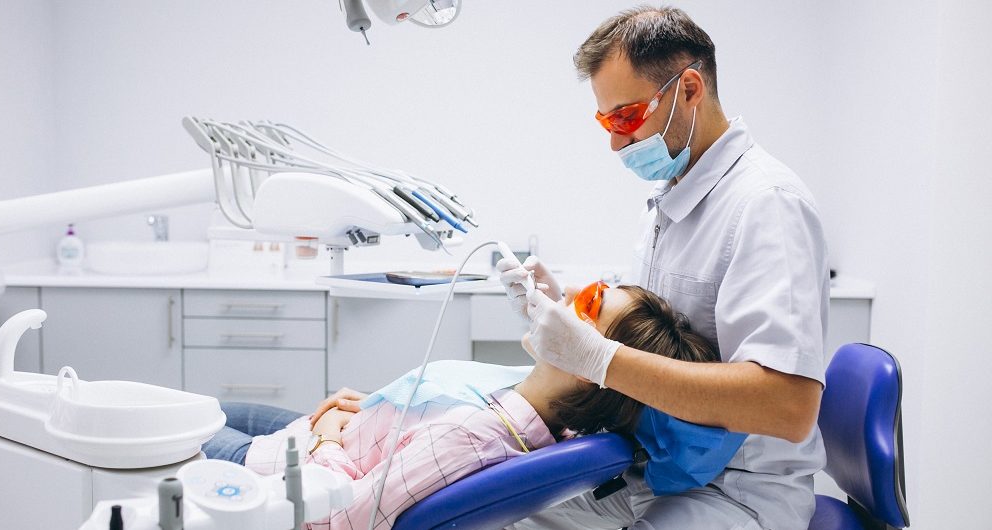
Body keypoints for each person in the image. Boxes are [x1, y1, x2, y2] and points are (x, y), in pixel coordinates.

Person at [497, 6, 830, 530]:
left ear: (690, 89)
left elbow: (787, 407)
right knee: (497, 513)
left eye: (626, 117)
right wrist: (566, 314)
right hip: (652, 470)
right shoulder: (670, 198)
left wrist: (597, 357)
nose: (614, 141)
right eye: (605, 121)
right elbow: (651, 343)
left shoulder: (767, 204)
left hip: (734, 492)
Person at [202, 284, 731, 530]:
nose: (567, 295)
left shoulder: (473, 441)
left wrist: (330, 436)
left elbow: (341, 517)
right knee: (212, 406)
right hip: (345, 436)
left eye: (588, 303)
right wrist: (388, 411)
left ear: (585, 363)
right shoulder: (555, 416)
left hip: (286, 476)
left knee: (169, 428)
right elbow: (428, 441)